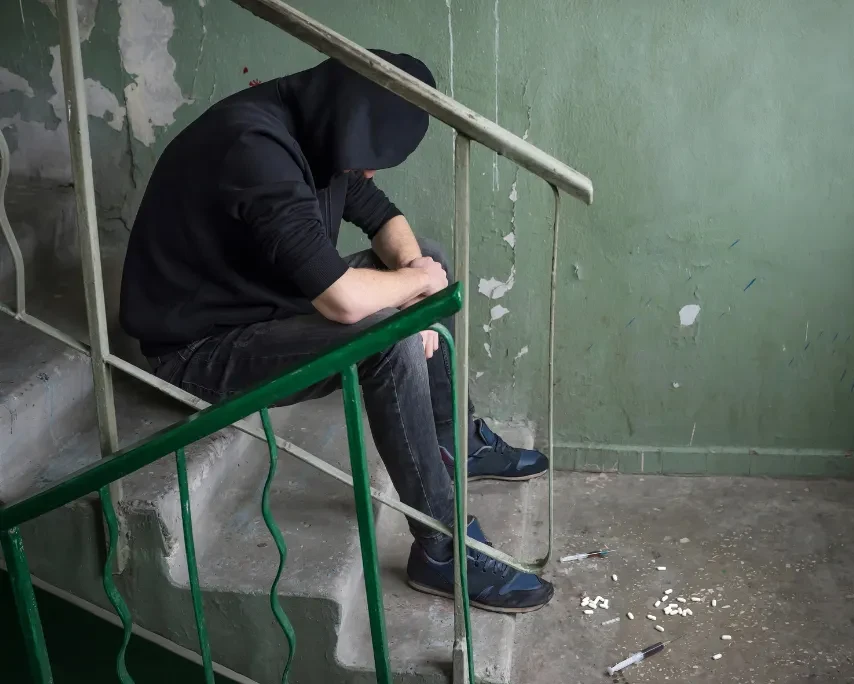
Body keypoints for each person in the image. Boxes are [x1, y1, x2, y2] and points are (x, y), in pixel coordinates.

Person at [118, 50, 554, 613]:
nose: (368, 171)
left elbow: (382, 217)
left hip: (265, 307)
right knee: (388, 336)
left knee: (429, 260)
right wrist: (413, 298)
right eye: (365, 158)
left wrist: (417, 280)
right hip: (199, 351)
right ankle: (440, 548)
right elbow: (346, 301)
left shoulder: (317, 127)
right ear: (345, 124)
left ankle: (452, 441)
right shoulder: (253, 150)